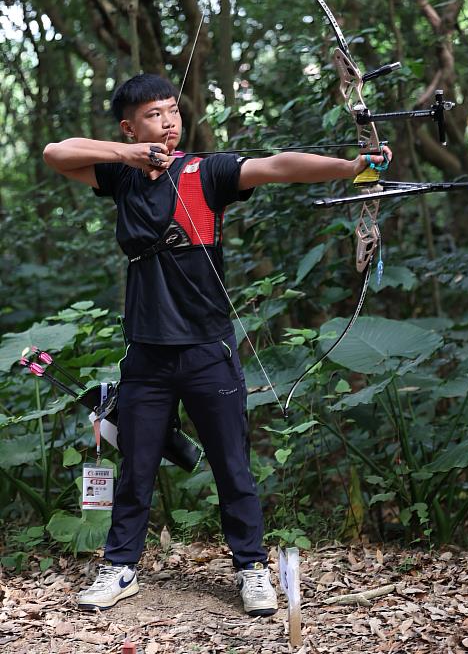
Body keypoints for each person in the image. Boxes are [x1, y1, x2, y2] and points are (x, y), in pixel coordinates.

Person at [43, 73, 392, 617]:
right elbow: (54, 152)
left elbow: (278, 166)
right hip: (147, 352)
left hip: (208, 348)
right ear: (130, 125)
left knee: (232, 464)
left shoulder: (205, 171)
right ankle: (120, 567)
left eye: (173, 111)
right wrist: (130, 156)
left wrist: (354, 166)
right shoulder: (121, 177)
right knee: (136, 466)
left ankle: (251, 567)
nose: (168, 121)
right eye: (154, 114)